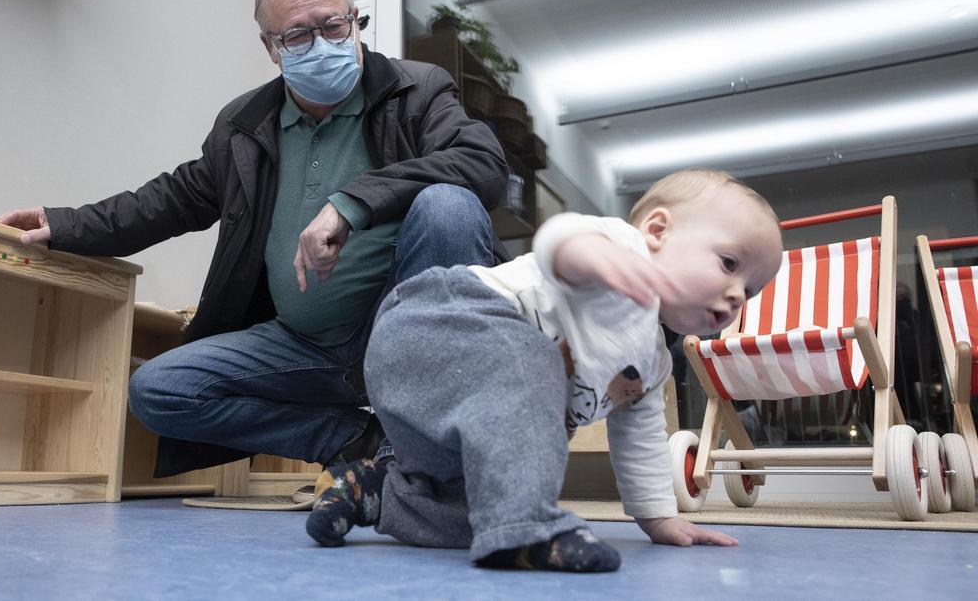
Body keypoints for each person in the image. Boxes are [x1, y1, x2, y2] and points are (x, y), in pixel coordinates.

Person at [0, 0, 508, 477]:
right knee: (160, 390)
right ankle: (358, 441)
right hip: (305, 349)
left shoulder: (416, 90)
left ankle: (432, 457)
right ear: (270, 46)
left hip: (402, 338)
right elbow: (170, 199)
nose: (323, 44)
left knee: (449, 205)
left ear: (355, 19)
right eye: (297, 35)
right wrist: (63, 225)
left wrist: (352, 202)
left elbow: (482, 164)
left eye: (334, 25)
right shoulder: (245, 126)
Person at [305, 168, 785, 573]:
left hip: (445, 415)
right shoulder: (623, 248)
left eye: (751, 289)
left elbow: (640, 442)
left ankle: (375, 494)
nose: (737, 294)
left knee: (484, 510)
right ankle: (527, 536)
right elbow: (560, 240)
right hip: (437, 323)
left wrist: (658, 519)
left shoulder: (653, 365)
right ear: (658, 231)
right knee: (535, 362)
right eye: (728, 264)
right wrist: (596, 257)